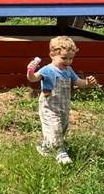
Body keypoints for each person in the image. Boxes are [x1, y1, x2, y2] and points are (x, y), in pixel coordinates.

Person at [26, 36, 98, 165]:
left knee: (62, 128)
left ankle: (45, 148)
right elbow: (33, 79)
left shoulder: (68, 70)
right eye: (64, 58)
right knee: (55, 128)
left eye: (71, 58)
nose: (68, 61)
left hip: (64, 106)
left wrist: (87, 83)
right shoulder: (47, 70)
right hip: (49, 107)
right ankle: (60, 152)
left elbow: (78, 83)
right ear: (52, 55)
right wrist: (30, 71)